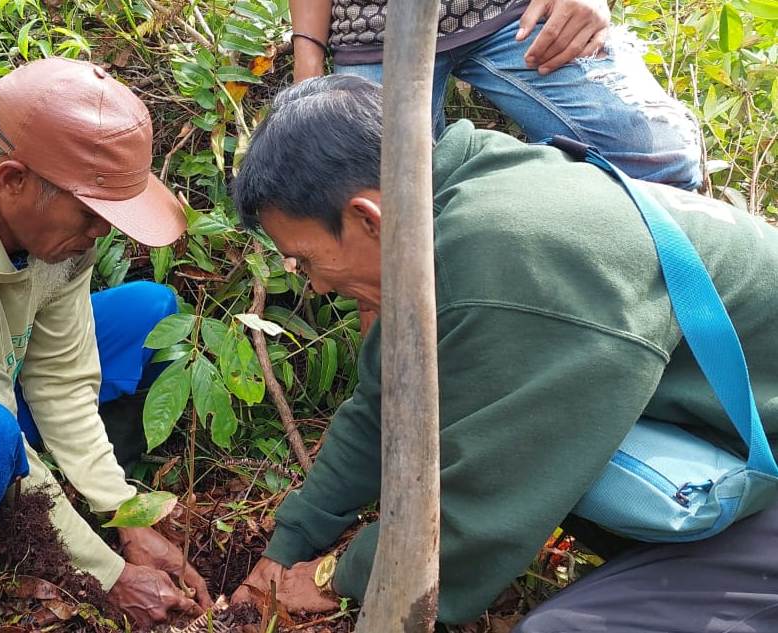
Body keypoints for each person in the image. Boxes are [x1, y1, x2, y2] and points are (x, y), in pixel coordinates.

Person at [228, 76, 778, 631]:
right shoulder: (464, 198)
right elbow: (383, 407)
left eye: (309, 259)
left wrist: (341, 577)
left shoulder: (510, 256)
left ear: (369, 218)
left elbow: (491, 499)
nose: (317, 287)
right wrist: (289, 545)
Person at [0, 57, 211, 628]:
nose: (102, 232)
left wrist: (124, 515)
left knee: (147, 314)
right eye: (92, 214)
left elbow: (61, 379)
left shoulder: (57, 231)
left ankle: (39, 501)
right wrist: (107, 577)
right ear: (13, 179)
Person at [290, 0, 703, 191]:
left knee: (662, 155)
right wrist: (307, 59)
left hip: (512, 12)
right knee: (375, 207)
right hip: (372, 29)